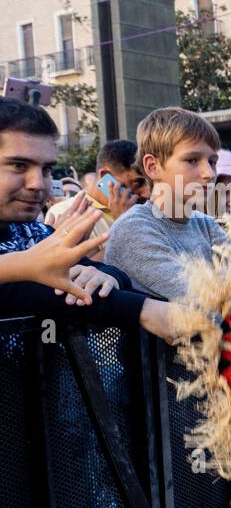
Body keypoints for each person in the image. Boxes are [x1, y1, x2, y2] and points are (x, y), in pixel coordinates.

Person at [0, 99, 181, 341]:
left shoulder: (34, 232)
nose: (38, 183)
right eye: (19, 165)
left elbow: (103, 272)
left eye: (46, 170)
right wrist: (144, 310)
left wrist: (108, 278)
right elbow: (26, 289)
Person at [105, 107, 231, 304]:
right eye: (192, 160)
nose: (209, 173)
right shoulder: (133, 229)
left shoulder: (205, 224)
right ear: (153, 167)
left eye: (212, 162)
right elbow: (208, 300)